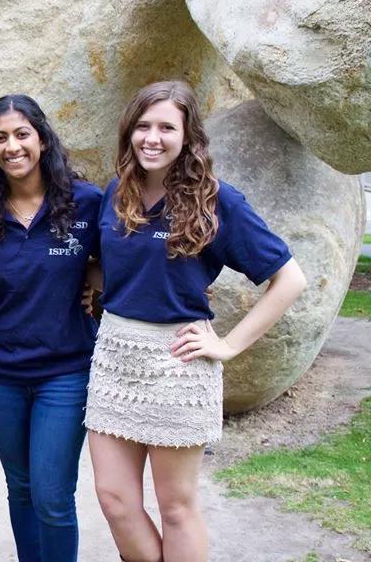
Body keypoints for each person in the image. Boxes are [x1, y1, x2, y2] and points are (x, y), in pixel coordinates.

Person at [85, 80, 307, 562]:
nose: (152, 138)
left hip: (177, 363)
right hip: (115, 358)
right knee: (115, 499)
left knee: (176, 507)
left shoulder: (218, 201)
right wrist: (87, 280)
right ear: (128, 131)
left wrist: (229, 344)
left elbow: (289, 280)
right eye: (143, 126)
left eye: (167, 127)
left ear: (188, 136)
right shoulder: (116, 193)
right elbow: (120, 268)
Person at [0, 95, 102, 562]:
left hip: (65, 372)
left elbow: (124, 258)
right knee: (20, 488)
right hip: (1, 373)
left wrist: (96, 276)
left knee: (52, 494)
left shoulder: (85, 202)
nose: (12, 146)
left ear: (42, 139)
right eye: (0, 138)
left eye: (22, 134)